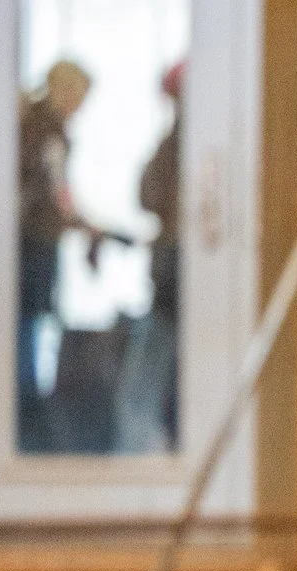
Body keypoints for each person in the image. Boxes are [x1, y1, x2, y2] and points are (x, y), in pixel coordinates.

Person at [17, 60, 97, 453]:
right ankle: (28, 417)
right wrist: (85, 225)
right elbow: (56, 188)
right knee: (26, 325)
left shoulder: (30, 122)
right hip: (33, 242)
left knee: (25, 325)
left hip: (30, 239)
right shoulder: (47, 129)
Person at [116, 61, 184, 454]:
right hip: (171, 269)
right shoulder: (174, 140)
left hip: (177, 268)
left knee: (151, 370)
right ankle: (144, 446)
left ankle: (140, 446)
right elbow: (147, 194)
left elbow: (151, 193)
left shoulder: (183, 141)